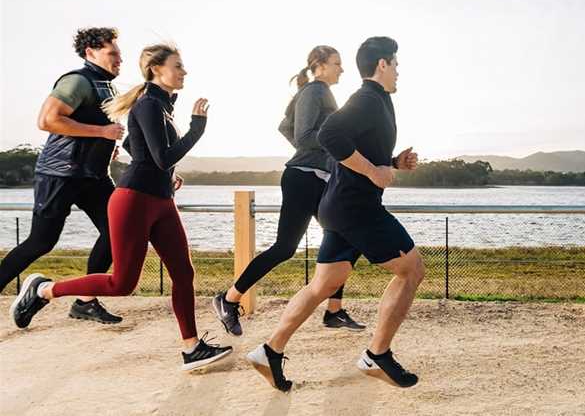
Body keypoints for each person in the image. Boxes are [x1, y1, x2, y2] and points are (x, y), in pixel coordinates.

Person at [11, 44, 233, 371]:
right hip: (134, 201)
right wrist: (196, 129)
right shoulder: (148, 105)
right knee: (121, 283)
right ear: (157, 69)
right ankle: (44, 289)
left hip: (160, 201)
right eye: (178, 66)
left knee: (184, 274)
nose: (184, 72)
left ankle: (191, 348)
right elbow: (162, 156)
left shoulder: (160, 106)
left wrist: (167, 174)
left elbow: (134, 145)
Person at [246, 36, 423, 392]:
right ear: (383, 64)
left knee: (323, 285)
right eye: (396, 64)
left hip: (340, 205)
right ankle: (377, 354)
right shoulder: (367, 99)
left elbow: (355, 147)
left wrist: (390, 163)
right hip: (355, 207)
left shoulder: (378, 101)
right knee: (412, 269)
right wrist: (374, 172)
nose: (400, 71)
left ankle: (269, 351)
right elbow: (329, 135)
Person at [213, 45, 365, 336]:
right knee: (285, 248)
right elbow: (304, 134)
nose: (342, 69)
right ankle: (229, 299)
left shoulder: (319, 92)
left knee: (345, 237)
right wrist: (335, 146)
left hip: (319, 177)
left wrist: (323, 154)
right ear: (319, 65)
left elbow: (286, 127)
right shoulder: (314, 91)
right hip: (303, 178)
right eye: (337, 63)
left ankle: (334, 311)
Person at [0, 28, 125, 324]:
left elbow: (92, 126)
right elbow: (48, 120)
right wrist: (102, 133)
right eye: (113, 53)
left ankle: (85, 302)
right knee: (41, 242)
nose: (120, 58)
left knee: (117, 233)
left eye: (119, 53)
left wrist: (106, 147)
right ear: (90, 52)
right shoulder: (77, 81)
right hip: (60, 174)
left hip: (94, 176)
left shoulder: (107, 86)